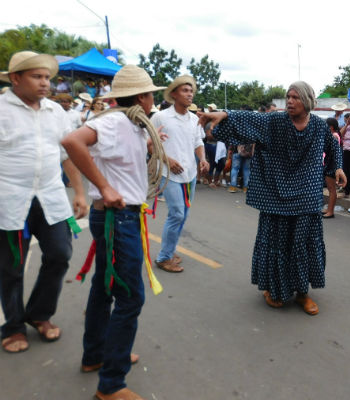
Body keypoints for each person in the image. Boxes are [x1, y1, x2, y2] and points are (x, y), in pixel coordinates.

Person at [61, 64, 168, 400]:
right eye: (152, 93)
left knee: (104, 288)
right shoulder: (113, 122)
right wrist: (104, 187)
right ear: (141, 96)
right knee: (129, 295)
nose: (153, 100)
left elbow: (119, 159)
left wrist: (150, 146)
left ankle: (99, 356)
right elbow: (71, 141)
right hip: (117, 219)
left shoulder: (132, 126)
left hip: (120, 218)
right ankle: (111, 384)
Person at [198, 81, 346, 315]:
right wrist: (224, 114)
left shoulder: (319, 126)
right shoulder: (274, 121)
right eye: (288, 96)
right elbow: (248, 120)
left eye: (295, 97)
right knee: (275, 243)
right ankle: (273, 289)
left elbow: (334, 147)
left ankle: (302, 293)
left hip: (306, 194)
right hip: (275, 193)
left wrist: (337, 168)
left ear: (307, 100)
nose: (289, 101)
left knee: (304, 244)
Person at [0, 50, 88, 353]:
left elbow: (68, 155)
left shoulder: (55, 112)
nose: (44, 83)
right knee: (11, 266)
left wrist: (78, 192)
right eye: (37, 77)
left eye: (47, 77)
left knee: (60, 254)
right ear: (15, 79)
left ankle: (39, 314)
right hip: (10, 201)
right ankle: (12, 327)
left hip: (51, 198)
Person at [150, 75, 208, 273]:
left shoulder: (194, 119)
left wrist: (204, 159)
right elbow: (151, 145)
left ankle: (170, 250)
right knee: (176, 213)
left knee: (184, 215)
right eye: (185, 90)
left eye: (191, 91)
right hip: (169, 174)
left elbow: (198, 143)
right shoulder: (160, 117)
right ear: (174, 94)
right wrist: (168, 160)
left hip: (189, 174)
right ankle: (163, 257)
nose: (189, 94)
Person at [322, 118, 342, 218]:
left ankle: (331, 211)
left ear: (331, 127)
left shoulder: (333, 136)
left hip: (332, 164)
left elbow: (333, 152)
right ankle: (329, 209)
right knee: (330, 188)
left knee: (331, 189)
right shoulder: (333, 135)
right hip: (330, 163)